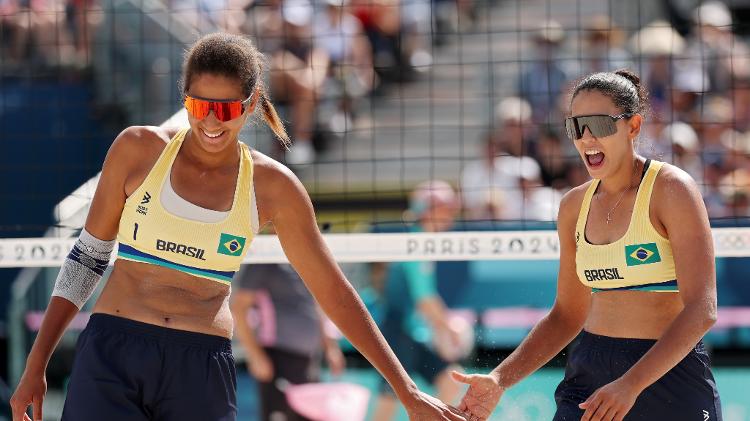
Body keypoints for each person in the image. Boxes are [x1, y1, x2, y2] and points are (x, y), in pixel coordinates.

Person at [9, 32, 467, 421]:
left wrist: (405, 389)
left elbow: (334, 291)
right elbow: (87, 258)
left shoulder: (273, 186)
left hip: (200, 361)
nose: (210, 120)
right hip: (114, 349)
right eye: (198, 104)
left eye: (225, 110)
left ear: (249, 108)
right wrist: (36, 362)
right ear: (184, 98)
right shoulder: (138, 149)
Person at [452, 69, 722, 421]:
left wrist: (631, 383)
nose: (587, 137)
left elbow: (703, 309)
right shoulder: (573, 206)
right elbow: (567, 315)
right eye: (576, 126)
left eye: (600, 124)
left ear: (633, 126)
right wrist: (500, 379)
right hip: (591, 369)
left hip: (666, 370)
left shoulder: (671, 189)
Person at [372, 180, 466, 421]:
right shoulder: (417, 242)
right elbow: (425, 300)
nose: (451, 214)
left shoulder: (423, 241)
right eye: (445, 208)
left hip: (409, 333)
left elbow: (426, 299)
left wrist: (441, 326)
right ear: (428, 211)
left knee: (451, 379)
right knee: (391, 396)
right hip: (395, 332)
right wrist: (447, 329)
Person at [231, 261, 345, 421]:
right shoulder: (264, 263)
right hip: (277, 358)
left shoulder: (303, 260)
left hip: (309, 359)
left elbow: (313, 306)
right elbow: (240, 307)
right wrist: (254, 354)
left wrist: (331, 347)